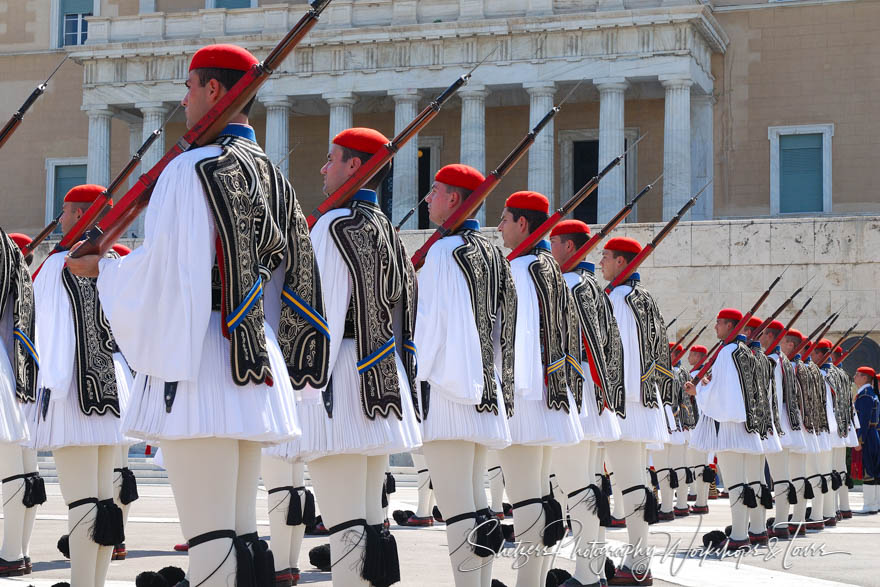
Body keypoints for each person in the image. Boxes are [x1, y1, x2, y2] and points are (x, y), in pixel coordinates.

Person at [67, 44, 308, 586]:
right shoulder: (274, 175)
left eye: (190, 86)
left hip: (199, 361)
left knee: (210, 537)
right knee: (243, 536)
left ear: (215, 91)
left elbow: (166, 275)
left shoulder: (190, 169)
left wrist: (100, 272)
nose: (184, 98)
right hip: (256, 360)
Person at [293, 126, 422, 586]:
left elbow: (317, 314)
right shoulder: (386, 229)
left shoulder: (333, 226)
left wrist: (303, 388)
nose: (324, 168)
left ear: (354, 166)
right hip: (383, 382)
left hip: (340, 385)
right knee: (368, 521)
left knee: (346, 524)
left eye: (333, 158)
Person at [416, 163, 515, 586]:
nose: (427, 198)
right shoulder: (492, 251)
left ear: (454, 199)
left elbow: (429, 327)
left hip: (449, 391)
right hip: (485, 390)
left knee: (458, 507)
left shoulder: (443, 251)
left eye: (434, 190)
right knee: (478, 505)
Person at [30, 184, 133, 586]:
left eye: (66, 212)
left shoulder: (57, 265)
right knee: (104, 501)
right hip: (111, 387)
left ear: (77, 216)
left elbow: (43, 331)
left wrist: (46, 392)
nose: (61, 219)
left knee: (82, 500)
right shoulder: (114, 264)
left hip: (70, 390)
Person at [497, 192, 584, 586]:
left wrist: (506, 392)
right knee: (542, 498)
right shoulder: (550, 268)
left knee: (526, 499)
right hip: (552, 395)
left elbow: (515, 336)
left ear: (524, 225)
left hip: (527, 397)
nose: (499, 227)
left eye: (505, 219)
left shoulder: (521, 269)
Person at [549, 219, 623, 586]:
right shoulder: (594, 286)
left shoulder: (567, 286)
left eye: (553, 243)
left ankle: (588, 575)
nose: (549, 250)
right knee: (587, 487)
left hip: (574, 395)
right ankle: (593, 570)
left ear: (567, 247)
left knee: (575, 489)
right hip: (595, 398)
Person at [599, 236, 671, 585]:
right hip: (643, 402)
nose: (601, 263)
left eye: (607, 258)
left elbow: (617, 352)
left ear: (622, 262)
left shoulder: (618, 299)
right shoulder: (645, 299)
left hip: (625, 404)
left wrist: (610, 400)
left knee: (628, 485)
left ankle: (639, 563)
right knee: (635, 482)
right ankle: (638, 557)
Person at [685, 308, 767, 551]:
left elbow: (723, 395)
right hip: (751, 426)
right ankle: (757, 530)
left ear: (731, 326)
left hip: (732, 427)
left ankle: (740, 535)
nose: (715, 327)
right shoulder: (748, 353)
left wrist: (697, 391)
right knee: (751, 482)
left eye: (719, 323)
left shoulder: (727, 352)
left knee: (735, 484)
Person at [0, 230, 42, 577]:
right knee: (21, 468)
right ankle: (18, 551)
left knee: (13, 467)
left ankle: (12, 553)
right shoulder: (11, 250)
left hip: (8, 366)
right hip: (16, 366)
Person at [759, 320, 808, 539]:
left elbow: (769, 396)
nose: (760, 338)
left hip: (773, 424)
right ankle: (787, 521)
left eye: (763, 334)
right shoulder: (785, 361)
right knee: (784, 475)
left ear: (770, 337)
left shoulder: (771, 361)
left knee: (777, 476)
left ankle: (779, 524)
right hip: (788, 424)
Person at [854, 367, 880, 514]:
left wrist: (859, 439)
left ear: (864, 378)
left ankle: (869, 505)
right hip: (873, 434)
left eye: (857, 375)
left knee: (869, 470)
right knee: (875, 470)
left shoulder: (864, 395)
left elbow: (864, 420)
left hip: (868, 435)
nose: (854, 377)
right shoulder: (870, 394)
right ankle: (875, 504)